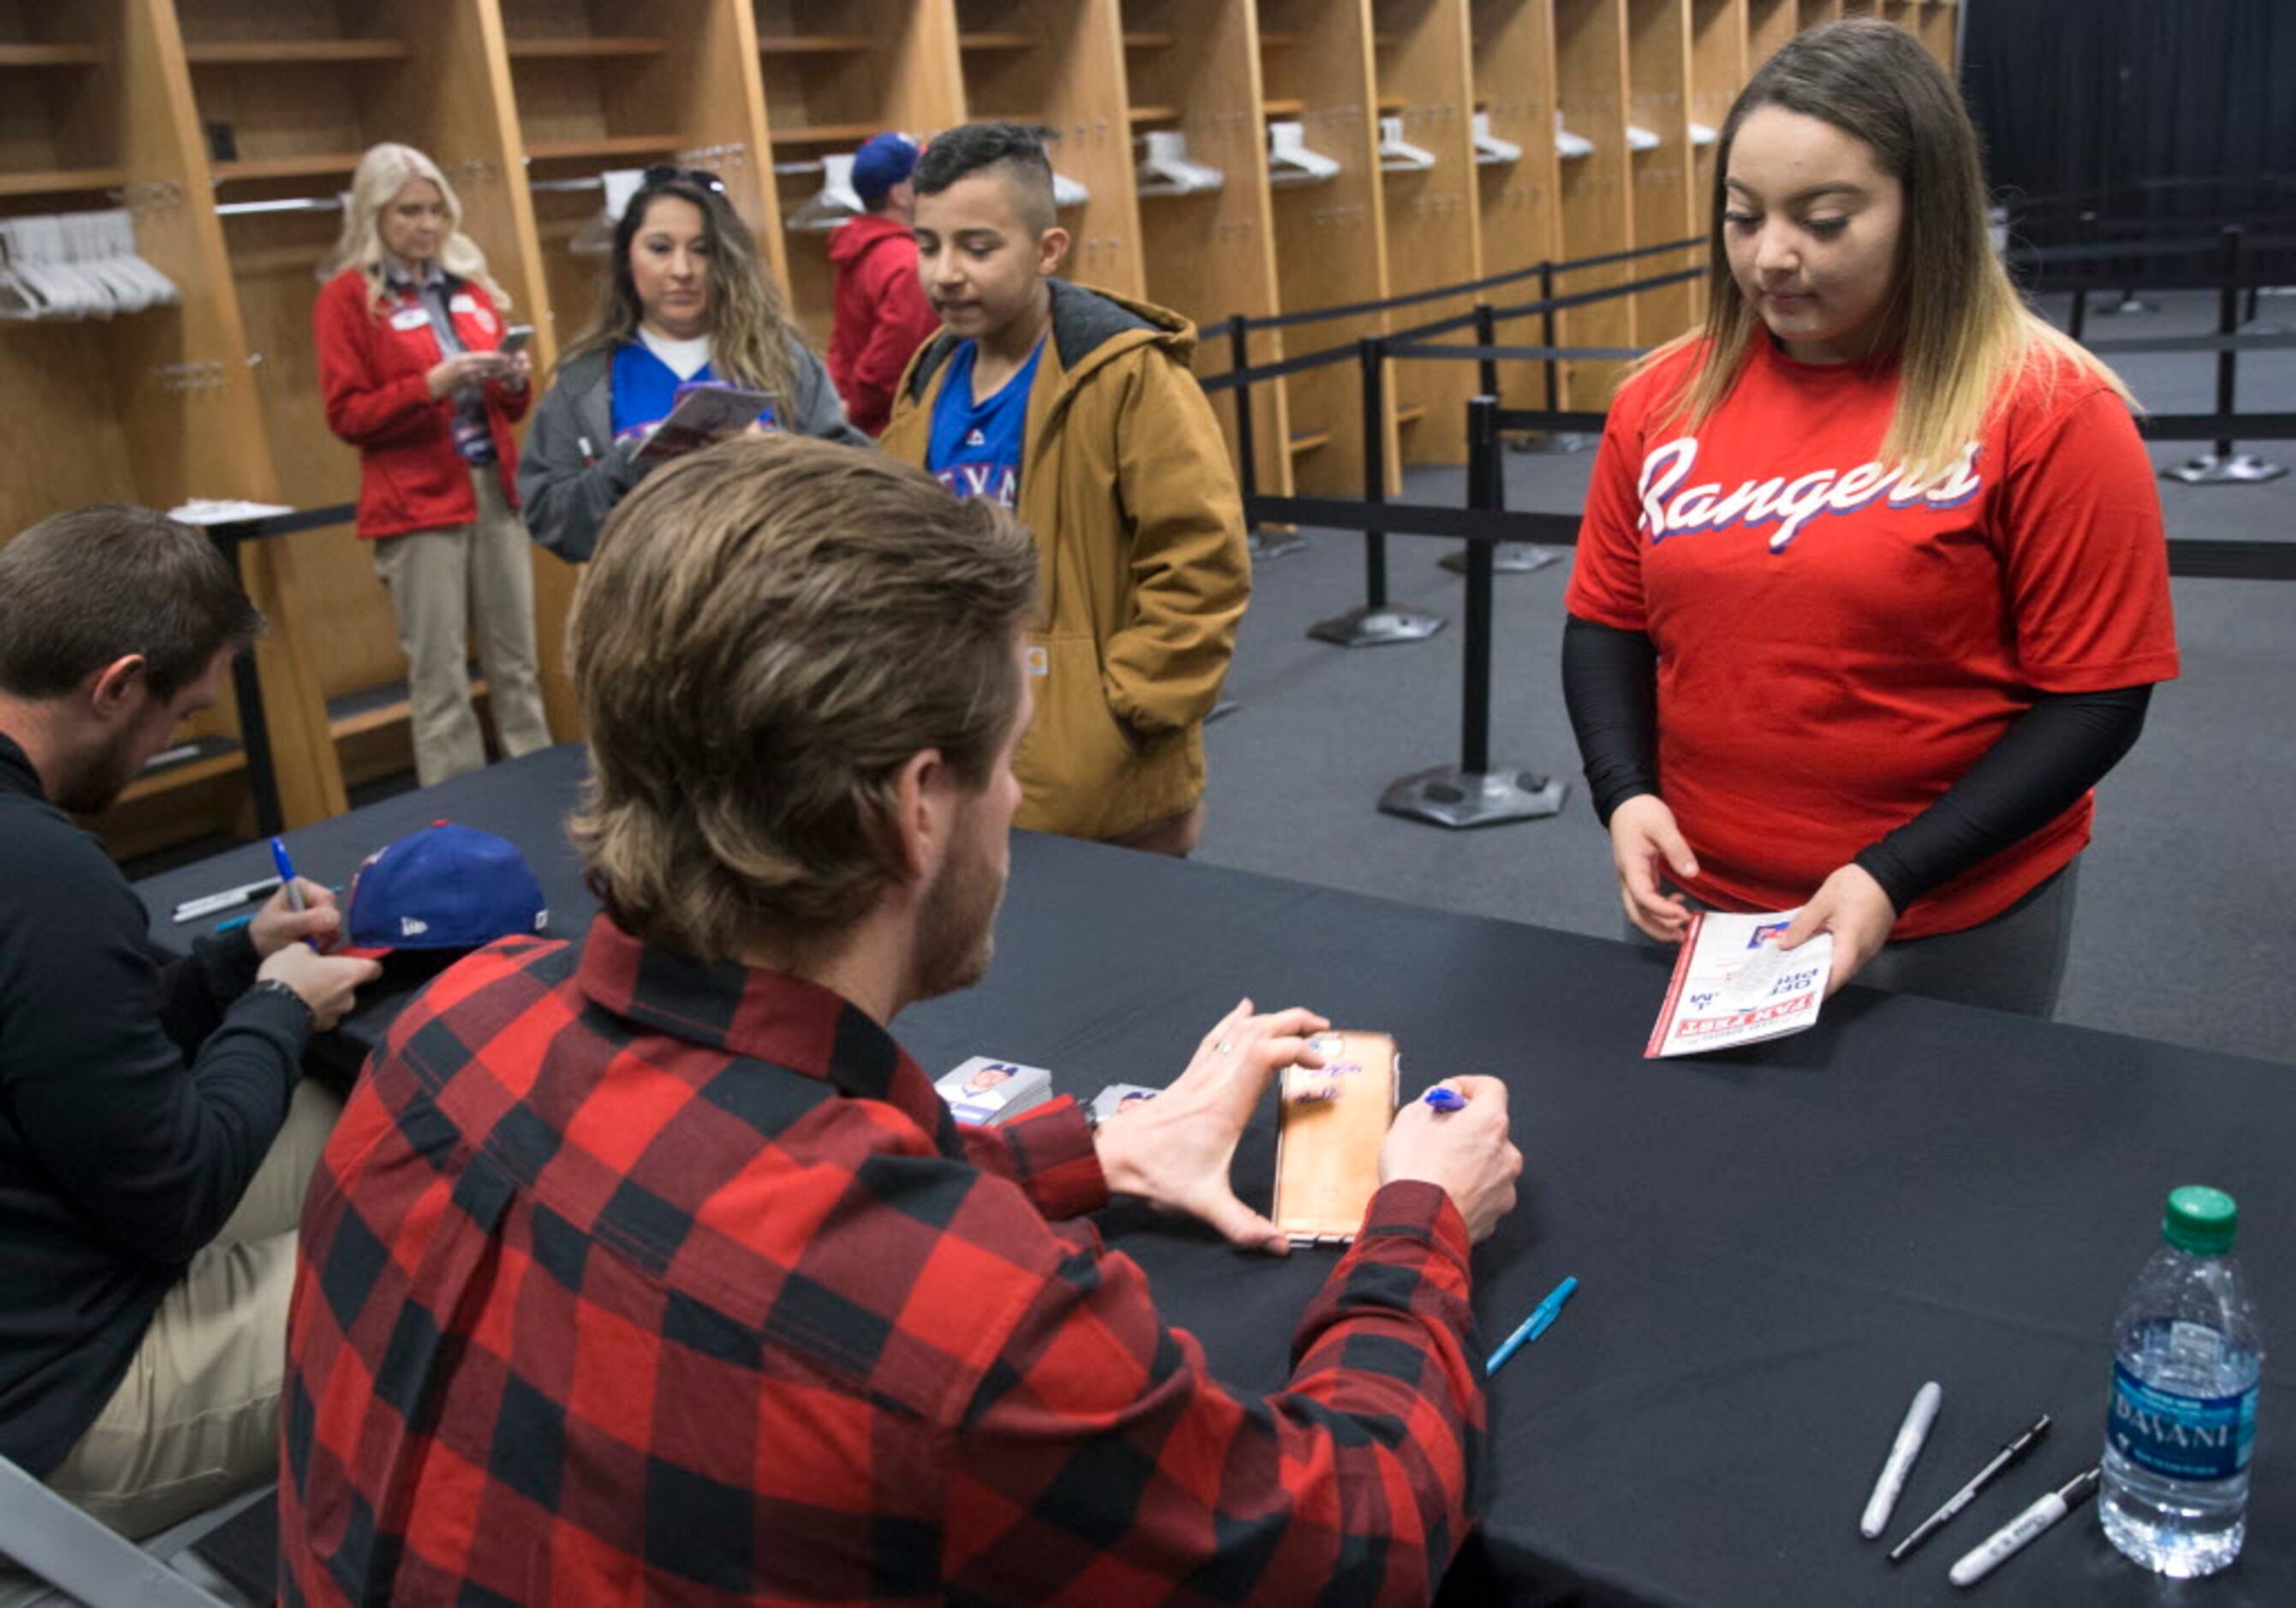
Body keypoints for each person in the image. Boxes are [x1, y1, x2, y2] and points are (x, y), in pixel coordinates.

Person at [280, 437, 1523, 1604]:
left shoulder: (454, 1029)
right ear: (916, 807)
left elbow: (715, 1180)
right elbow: (1354, 1535)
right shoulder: (971, 1333)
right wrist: (1417, 1217)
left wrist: (1101, 1150)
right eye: (1007, 758)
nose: (1019, 796)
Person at [1561, 20, 2180, 1018]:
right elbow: (1607, 623)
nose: (1772, 258)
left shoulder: (2053, 410)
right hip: (1699, 903)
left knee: (1932, 1164)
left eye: (1827, 219)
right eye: (1743, 216)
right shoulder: (1660, 401)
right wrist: (1623, 791)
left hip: (1946, 913)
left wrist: (1892, 873)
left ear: (1926, 211)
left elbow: (2097, 701)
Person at [0, 507, 379, 1536]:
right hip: (56, 1405)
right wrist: (278, 1007)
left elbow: (68, 1053)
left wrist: (229, 965)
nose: (171, 741)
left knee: (384, 1129)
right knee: (449, 1248)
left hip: (50, 1266)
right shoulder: (47, 877)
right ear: (117, 685)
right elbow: (175, 1196)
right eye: (179, 715)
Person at [882, 122, 1249, 857]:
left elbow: (1201, 558)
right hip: (962, 746)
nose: (946, 272)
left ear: (1049, 249)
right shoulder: (928, 377)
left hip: (1100, 779)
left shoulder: (1125, 374)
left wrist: (1125, 712)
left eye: (977, 248)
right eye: (929, 245)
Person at [314, 141, 555, 790]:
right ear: (373, 215)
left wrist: (510, 376)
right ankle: (458, 810)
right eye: (408, 212)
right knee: (441, 675)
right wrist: (432, 384)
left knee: (517, 662)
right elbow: (347, 415)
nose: (425, 225)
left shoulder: (468, 289)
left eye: (434, 210)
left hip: (494, 491)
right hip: (416, 504)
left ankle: (537, 787)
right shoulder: (347, 300)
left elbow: (513, 407)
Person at [520, 167, 866, 563]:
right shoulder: (586, 381)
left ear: (726, 260)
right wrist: (633, 463)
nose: (682, 271)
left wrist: (775, 454)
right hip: (643, 609)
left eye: (702, 250)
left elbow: (857, 483)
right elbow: (550, 519)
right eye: (660, 248)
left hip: (772, 601)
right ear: (627, 258)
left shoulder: (782, 360)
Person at [826, 132, 942, 436]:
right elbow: (894, 357)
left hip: (859, 423)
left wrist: (840, 406)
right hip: (895, 428)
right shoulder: (905, 261)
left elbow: (842, 341)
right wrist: (857, 409)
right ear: (900, 194)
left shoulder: (858, 248)